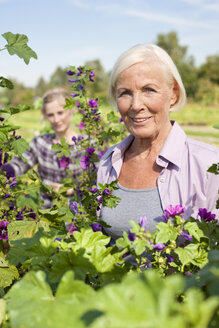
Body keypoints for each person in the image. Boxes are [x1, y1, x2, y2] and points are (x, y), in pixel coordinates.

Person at [97, 43, 219, 241]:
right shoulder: (109, 162)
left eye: (149, 90)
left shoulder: (209, 165)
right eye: (125, 93)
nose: (136, 105)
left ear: (174, 94)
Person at [3, 88, 82, 208]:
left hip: (76, 215)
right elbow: (20, 163)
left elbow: (96, 182)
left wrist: (72, 189)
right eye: (50, 115)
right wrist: (4, 170)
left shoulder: (86, 145)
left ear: (71, 110)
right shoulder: (40, 142)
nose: (56, 120)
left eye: (60, 113)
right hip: (44, 214)